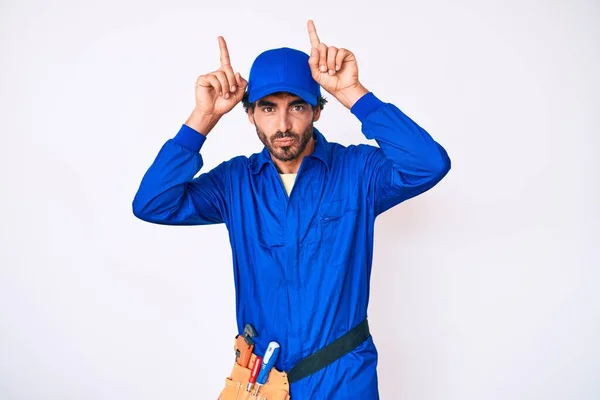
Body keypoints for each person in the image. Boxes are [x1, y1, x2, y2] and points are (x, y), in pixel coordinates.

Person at [132, 20, 451, 400]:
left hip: (343, 377)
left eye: (297, 106)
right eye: (268, 108)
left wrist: (353, 93)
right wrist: (203, 118)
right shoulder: (235, 183)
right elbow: (152, 203)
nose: (283, 125)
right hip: (263, 380)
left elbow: (428, 164)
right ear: (250, 114)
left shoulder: (358, 172)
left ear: (317, 110)